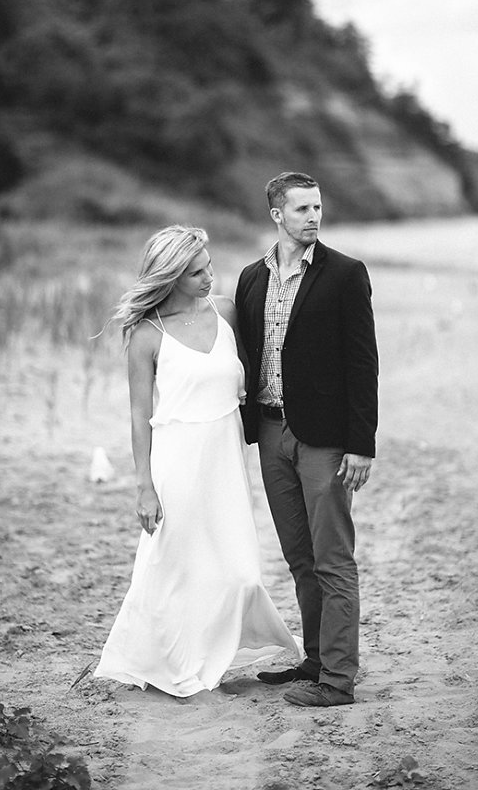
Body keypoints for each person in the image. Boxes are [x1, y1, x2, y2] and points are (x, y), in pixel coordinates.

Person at [94, 225, 300, 698]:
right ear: (169, 276)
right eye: (195, 272)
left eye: (208, 266)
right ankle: (165, 661)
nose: (209, 277)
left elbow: (264, 365)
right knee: (173, 567)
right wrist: (143, 485)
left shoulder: (225, 311)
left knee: (239, 572)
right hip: (177, 461)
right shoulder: (147, 335)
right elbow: (138, 415)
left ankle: (214, 652)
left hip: (225, 460)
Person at [235, 172, 378, 708]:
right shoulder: (252, 278)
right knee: (299, 558)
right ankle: (315, 661)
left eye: (317, 208)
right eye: (301, 210)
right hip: (270, 433)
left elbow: (363, 364)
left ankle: (338, 681)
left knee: (333, 559)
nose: (313, 217)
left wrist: (361, 443)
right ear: (277, 214)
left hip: (324, 439)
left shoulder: (345, 274)